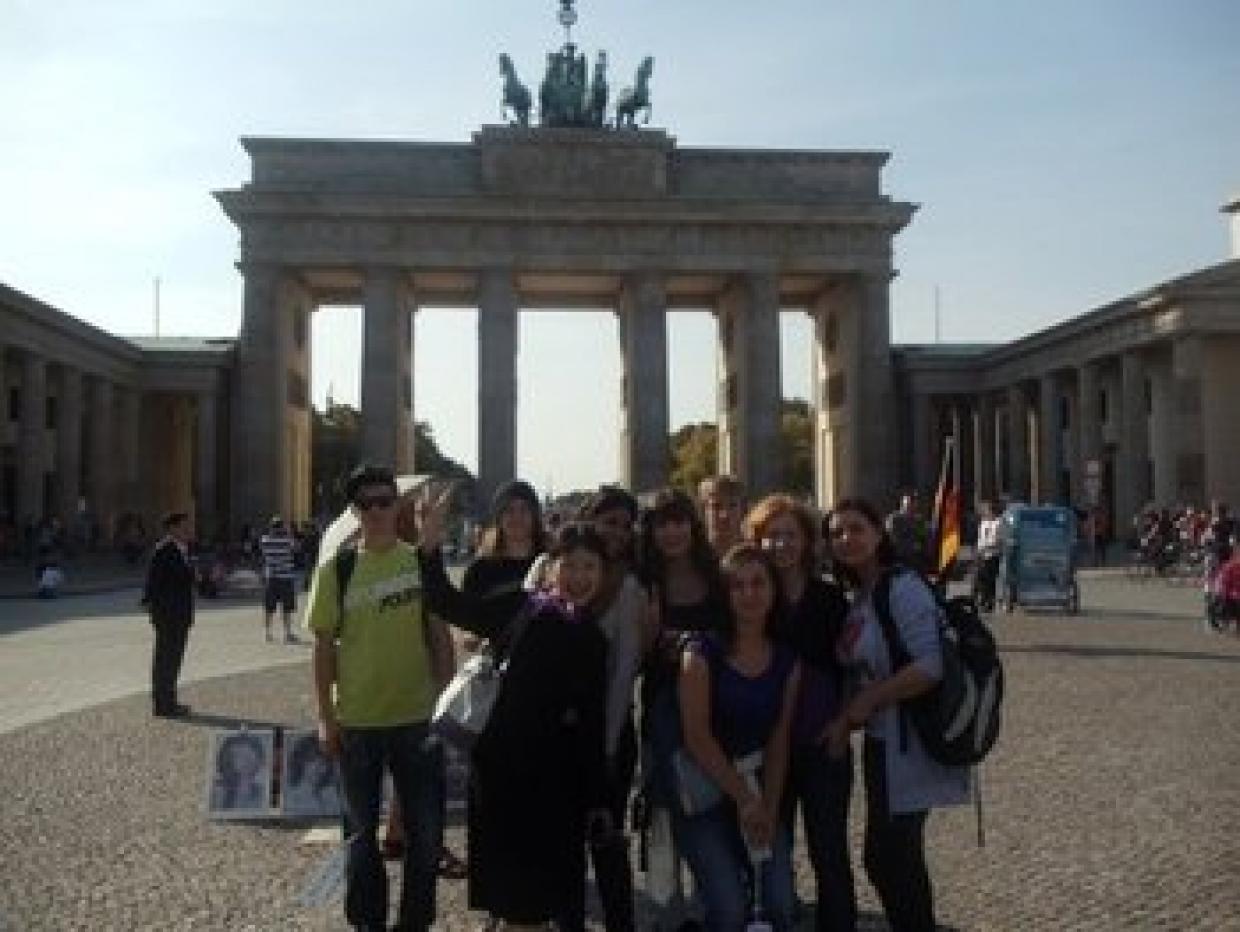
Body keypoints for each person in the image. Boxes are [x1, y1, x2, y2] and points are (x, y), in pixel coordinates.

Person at [415, 502, 610, 932]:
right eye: (570, 565)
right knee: (520, 904)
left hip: (557, 788)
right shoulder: (519, 607)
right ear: (551, 566)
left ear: (602, 573)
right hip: (503, 778)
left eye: (590, 567)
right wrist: (429, 545)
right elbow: (446, 602)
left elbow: (591, 723)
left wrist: (597, 797)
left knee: (536, 906)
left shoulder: (593, 636)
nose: (580, 577)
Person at [307, 463, 448, 932]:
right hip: (358, 721)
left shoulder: (420, 563)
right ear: (355, 511)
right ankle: (369, 924)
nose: (376, 511)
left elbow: (439, 635)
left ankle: (414, 924)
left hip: (417, 719)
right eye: (365, 504)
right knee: (361, 839)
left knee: (426, 838)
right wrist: (326, 717)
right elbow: (323, 648)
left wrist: (446, 707)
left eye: (384, 501)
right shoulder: (337, 570)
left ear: (398, 505)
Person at [825, 498, 969, 932]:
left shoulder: (902, 586)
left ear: (878, 533)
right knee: (889, 856)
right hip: (882, 742)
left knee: (892, 856)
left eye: (856, 528)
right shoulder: (861, 593)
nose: (847, 539)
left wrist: (869, 701)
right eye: (836, 533)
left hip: (911, 742)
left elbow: (931, 664)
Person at [744, 495, 855, 931]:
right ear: (758, 541)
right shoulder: (752, 596)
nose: (782, 545)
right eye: (772, 536)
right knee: (772, 849)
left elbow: (851, 667)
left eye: (791, 535)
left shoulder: (830, 600)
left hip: (820, 739)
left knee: (829, 851)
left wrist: (844, 721)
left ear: (807, 542)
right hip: (768, 745)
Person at [676, 543, 801, 930]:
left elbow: (780, 738)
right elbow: (697, 735)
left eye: (758, 583)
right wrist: (744, 799)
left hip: (759, 787)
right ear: (724, 594)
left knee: (780, 902)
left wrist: (769, 808)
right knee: (729, 908)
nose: (749, 594)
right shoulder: (700, 653)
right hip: (707, 789)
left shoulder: (787, 660)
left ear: (773, 590)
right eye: (738, 585)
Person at [636, 487, 729, 927]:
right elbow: (633, 656)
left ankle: (714, 902)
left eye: (678, 521)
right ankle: (673, 911)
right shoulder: (644, 583)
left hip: (718, 708)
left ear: (692, 524)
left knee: (713, 806)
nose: (671, 532)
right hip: (664, 713)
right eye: (661, 524)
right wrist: (650, 637)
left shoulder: (718, 575)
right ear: (650, 532)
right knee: (672, 808)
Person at [574, 485, 646, 932]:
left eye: (624, 524)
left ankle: (620, 923)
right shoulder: (558, 570)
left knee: (606, 840)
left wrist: (605, 747)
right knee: (563, 844)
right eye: (608, 522)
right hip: (557, 732)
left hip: (607, 736)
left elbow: (624, 674)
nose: (617, 532)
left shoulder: (630, 586)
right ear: (590, 521)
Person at [142, 512, 196, 719]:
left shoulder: (181, 549)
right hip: (168, 615)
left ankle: (169, 701)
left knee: (173, 659)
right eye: (184, 526)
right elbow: (154, 584)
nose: (188, 530)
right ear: (172, 529)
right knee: (165, 659)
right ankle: (162, 704)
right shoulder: (164, 550)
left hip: (178, 614)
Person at [259, 516, 298, 642]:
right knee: (286, 607)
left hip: (271, 577)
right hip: (286, 577)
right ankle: (287, 633)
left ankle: (267, 633)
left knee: (269, 607)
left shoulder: (265, 541)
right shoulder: (288, 541)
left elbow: (263, 550)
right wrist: (288, 532)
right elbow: (296, 548)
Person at [283, 732, 341, 816]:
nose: (321, 769)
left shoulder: (331, 793)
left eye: (324, 763)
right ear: (302, 763)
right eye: (313, 761)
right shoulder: (294, 798)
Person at [211, 732, 269, 812]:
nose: (243, 763)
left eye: (247, 758)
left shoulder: (262, 794)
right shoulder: (217, 792)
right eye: (237, 756)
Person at [698, 475, 745, 556]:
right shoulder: (690, 558)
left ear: (743, 509)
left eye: (732, 506)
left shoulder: (755, 557)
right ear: (703, 510)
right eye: (716, 506)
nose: (725, 515)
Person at [885, 492, 927, 574]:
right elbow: (894, 539)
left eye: (913, 503)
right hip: (899, 558)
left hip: (916, 561)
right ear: (903, 504)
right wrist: (913, 544)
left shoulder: (919, 520)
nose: (911, 506)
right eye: (909, 503)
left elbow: (922, 537)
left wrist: (920, 545)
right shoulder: (894, 519)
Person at [973, 501, 1003, 612]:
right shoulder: (983, 523)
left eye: (986, 510)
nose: (984, 512)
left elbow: (997, 540)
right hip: (981, 555)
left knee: (990, 580)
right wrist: (978, 550)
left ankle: (989, 602)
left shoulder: (999, 523)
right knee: (980, 579)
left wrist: (985, 547)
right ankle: (980, 600)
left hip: (992, 555)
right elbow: (980, 538)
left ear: (992, 511)